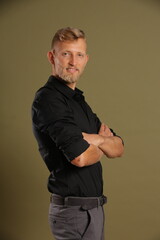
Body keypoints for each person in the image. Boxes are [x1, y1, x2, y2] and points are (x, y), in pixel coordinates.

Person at [32, 27, 124, 240]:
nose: (73, 62)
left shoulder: (78, 102)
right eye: (66, 54)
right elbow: (80, 157)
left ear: (86, 59)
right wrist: (103, 143)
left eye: (79, 55)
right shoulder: (48, 100)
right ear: (51, 57)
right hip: (73, 214)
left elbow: (118, 148)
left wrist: (97, 139)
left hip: (94, 211)